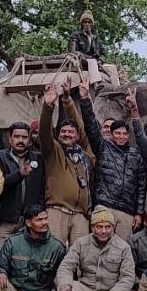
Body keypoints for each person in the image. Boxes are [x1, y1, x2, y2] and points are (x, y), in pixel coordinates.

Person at [78, 81, 147, 240]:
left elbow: (141, 186)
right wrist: (85, 99)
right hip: (104, 205)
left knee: (122, 248)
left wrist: (139, 212)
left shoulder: (136, 156)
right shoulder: (103, 147)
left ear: (128, 136)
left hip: (127, 211)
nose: (121, 136)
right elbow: (91, 126)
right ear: (112, 134)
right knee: (99, 244)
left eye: (124, 134)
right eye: (118, 133)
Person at [56, 206, 136, 291]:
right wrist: (65, 289)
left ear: (113, 227)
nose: (103, 231)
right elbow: (66, 266)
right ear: (92, 227)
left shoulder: (123, 247)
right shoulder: (80, 243)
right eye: (99, 227)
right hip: (87, 290)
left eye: (107, 227)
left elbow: (128, 277)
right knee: (64, 287)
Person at [40, 83, 94, 245]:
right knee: (53, 252)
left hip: (81, 215)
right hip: (57, 211)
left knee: (80, 255)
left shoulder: (86, 156)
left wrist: (68, 100)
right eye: (63, 131)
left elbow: (81, 127)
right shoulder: (53, 151)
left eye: (71, 132)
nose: (67, 134)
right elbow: (44, 132)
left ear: (77, 136)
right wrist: (48, 106)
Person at [0, 121, 45, 249]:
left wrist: (38, 211)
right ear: (10, 139)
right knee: (2, 255)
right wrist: (19, 174)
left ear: (29, 139)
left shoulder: (38, 159)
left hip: (29, 221)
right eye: (16, 136)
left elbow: (42, 189)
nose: (20, 140)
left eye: (24, 137)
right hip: (5, 219)